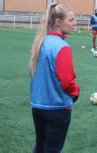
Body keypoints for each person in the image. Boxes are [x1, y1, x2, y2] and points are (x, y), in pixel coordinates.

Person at [29, 3, 80, 153]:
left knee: (40, 145)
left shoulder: (40, 42)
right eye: (71, 20)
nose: (74, 23)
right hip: (57, 108)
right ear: (58, 22)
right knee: (52, 149)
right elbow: (67, 81)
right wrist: (76, 92)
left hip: (38, 106)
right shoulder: (62, 46)